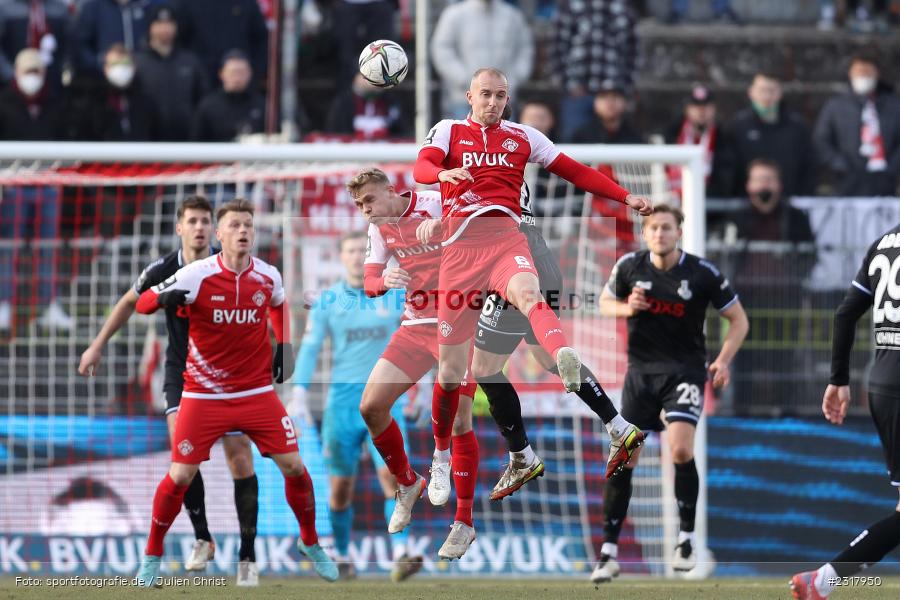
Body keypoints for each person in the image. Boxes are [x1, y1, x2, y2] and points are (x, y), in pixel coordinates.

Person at [412, 68, 652, 549]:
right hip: (501, 252)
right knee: (514, 361)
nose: (495, 102)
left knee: (491, 358)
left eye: (502, 95)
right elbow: (424, 171)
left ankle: (524, 452)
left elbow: (575, 170)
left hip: (516, 246)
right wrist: (438, 183)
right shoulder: (450, 134)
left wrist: (626, 198)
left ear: (508, 99)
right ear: (470, 96)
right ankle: (615, 425)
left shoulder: (520, 138)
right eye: (487, 94)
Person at [131, 199, 336, 586]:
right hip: (203, 395)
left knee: (294, 466)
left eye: (248, 225)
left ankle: (310, 542)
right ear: (219, 235)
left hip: (256, 393)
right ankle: (152, 555)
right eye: (235, 226)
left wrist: (284, 347)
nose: (243, 231)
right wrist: (161, 298)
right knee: (180, 475)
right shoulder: (195, 274)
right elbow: (142, 302)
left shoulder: (267, 275)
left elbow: (278, 305)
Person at [77, 196, 264, 586]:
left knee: (240, 459)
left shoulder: (227, 262)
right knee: (183, 459)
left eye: (204, 221)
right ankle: (202, 538)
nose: (199, 227)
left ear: (213, 229)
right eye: (192, 221)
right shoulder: (163, 268)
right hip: (182, 376)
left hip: (229, 376)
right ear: (179, 228)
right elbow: (131, 302)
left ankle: (247, 557)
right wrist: (97, 345)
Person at [595, 204, 748, 582]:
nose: (659, 234)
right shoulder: (629, 267)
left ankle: (686, 539)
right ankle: (608, 551)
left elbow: (739, 320)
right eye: (653, 228)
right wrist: (626, 307)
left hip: (685, 372)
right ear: (644, 234)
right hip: (640, 375)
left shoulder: (702, 272)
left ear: (679, 231)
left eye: (666, 227)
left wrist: (724, 361)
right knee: (624, 455)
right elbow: (603, 303)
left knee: (680, 448)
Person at [471, 181, 645, 503]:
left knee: (484, 367)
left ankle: (521, 456)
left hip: (512, 264)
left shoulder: (474, 162)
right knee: (548, 357)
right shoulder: (508, 156)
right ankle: (618, 424)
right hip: (540, 259)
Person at [348, 168, 480, 561]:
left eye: (369, 200)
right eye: (358, 205)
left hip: (459, 322)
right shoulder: (379, 229)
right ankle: (407, 482)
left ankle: (464, 522)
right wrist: (384, 279)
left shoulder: (435, 202)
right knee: (370, 407)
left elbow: (479, 228)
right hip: (416, 326)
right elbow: (369, 281)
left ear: (391, 191)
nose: (365, 210)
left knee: (460, 420)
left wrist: (447, 227)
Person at [291, 230, 424, 580]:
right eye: (348, 251)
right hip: (342, 406)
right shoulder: (328, 301)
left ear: (368, 256)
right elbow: (310, 347)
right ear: (340, 257)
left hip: (385, 401)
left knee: (392, 475)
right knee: (340, 488)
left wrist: (421, 387)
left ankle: (401, 553)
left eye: (359, 251)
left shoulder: (394, 296)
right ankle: (343, 555)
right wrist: (299, 394)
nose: (354, 256)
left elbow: (421, 335)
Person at [789, 221, 900, 599]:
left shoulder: (883, 244)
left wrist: (838, 379)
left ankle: (824, 580)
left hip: (884, 384)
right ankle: (824, 580)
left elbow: (845, 313)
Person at [0, 48, 70, 332]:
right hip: (13, 186)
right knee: (8, 247)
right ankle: (4, 303)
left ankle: (49, 304)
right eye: (27, 71)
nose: (33, 77)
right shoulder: (4, 102)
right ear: (16, 73)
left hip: (48, 185)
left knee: (48, 248)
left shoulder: (55, 103)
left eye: (37, 71)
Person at [814, 51, 900, 197]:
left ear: (877, 73)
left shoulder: (894, 105)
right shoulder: (836, 106)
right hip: (846, 181)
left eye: (868, 71)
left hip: (885, 181)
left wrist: (892, 167)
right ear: (850, 74)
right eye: (859, 71)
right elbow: (821, 140)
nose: (863, 76)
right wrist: (840, 164)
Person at [430, 0, 534, 119]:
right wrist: (464, 79)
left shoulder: (512, 16)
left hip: (501, 103)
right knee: (464, 136)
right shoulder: (455, 15)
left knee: (504, 137)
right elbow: (442, 49)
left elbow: (525, 49)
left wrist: (514, 79)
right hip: (463, 100)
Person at [554, 0, 638, 143]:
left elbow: (634, 50)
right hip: (577, 92)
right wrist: (568, 85)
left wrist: (625, 86)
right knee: (572, 145)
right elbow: (557, 47)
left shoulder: (623, 8)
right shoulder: (570, 7)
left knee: (620, 146)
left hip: (613, 91)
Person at [727, 72, 815, 198]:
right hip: (746, 207)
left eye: (772, 90)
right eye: (762, 90)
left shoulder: (797, 127)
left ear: (780, 93)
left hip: (788, 205)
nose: (767, 96)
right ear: (751, 92)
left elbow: (809, 165)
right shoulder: (737, 127)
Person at [135, 3, 209, 141]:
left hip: (186, 141)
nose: (165, 28)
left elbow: (202, 101)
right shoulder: (138, 62)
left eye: (169, 23)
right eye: (159, 23)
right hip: (147, 143)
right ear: (150, 27)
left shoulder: (190, 61)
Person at [69, 43, 161, 141]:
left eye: (125, 63)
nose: (120, 68)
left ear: (134, 67)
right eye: (115, 64)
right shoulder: (93, 102)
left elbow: (156, 134)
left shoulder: (146, 102)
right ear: (105, 69)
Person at [664, 84, 735, 199]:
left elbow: (725, 178)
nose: (701, 111)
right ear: (687, 109)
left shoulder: (723, 138)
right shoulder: (672, 135)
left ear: (714, 109)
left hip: (710, 207)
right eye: (696, 106)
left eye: (706, 106)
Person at [175, 0, 269, 86]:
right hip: (200, 81)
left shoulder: (246, 3)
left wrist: (255, 73)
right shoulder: (188, 4)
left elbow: (262, 41)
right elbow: (178, 40)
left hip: (239, 82)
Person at [191, 50, 265, 142]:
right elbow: (197, 142)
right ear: (222, 74)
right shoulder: (208, 107)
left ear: (250, 74)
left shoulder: (261, 105)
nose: (237, 78)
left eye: (242, 72)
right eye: (233, 72)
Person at [72, 0, 152, 78]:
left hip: (141, 77)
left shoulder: (145, 6)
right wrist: (101, 61)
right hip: (101, 80)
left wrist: (141, 62)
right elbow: (80, 46)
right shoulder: (93, 7)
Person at [324, 73, 407, 140]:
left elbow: (401, 134)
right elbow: (334, 134)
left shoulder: (391, 102)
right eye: (366, 75)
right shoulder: (343, 103)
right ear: (356, 78)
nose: (371, 80)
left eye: (376, 75)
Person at [570, 82, 643, 144]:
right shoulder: (581, 137)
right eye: (603, 97)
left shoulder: (636, 138)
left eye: (615, 96)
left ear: (625, 102)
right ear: (595, 102)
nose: (610, 102)